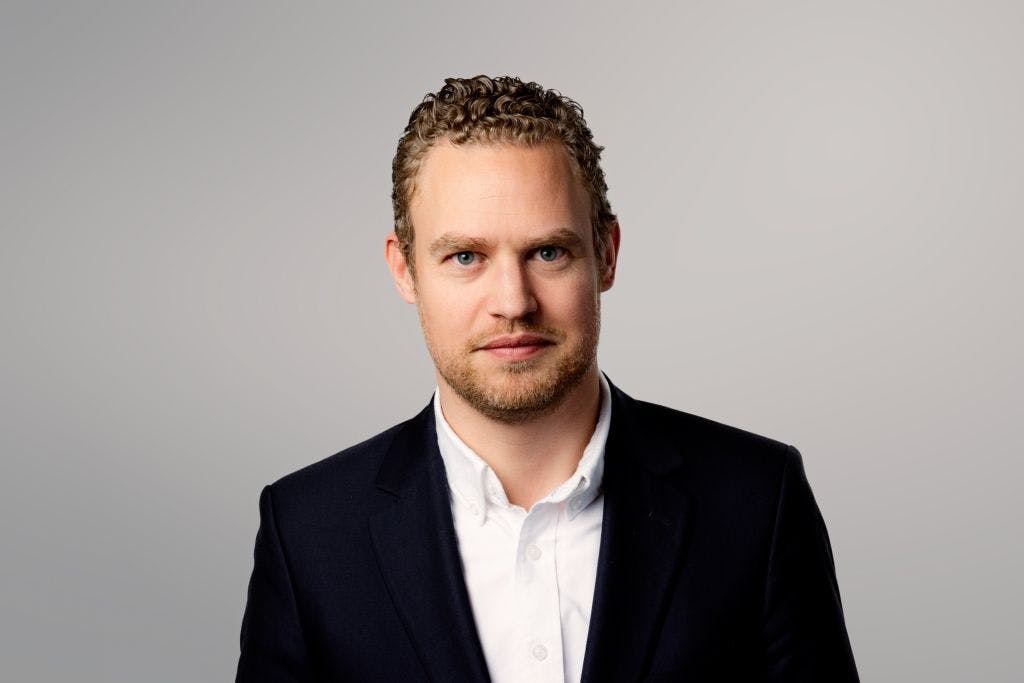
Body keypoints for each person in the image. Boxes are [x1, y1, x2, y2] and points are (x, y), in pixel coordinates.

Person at [236, 75, 859, 682]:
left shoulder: (757, 500)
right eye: (465, 257)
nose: (513, 302)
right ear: (405, 270)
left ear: (606, 254)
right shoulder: (309, 533)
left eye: (548, 252)